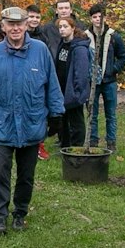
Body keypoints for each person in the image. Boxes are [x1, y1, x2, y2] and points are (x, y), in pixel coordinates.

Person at [0, 6, 64, 234]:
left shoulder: (40, 51)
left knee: (26, 174)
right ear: (3, 27)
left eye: (19, 24)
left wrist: (56, 114)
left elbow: (52, 84)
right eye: (10, 24)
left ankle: (20, 213)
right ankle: (0, 217)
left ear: (26, 25)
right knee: (1, 173)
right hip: (1, 123)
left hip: (32, 123)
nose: (15, 28)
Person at [87, 5, 125, 150]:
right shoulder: (86, 36)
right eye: (95, 17)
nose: (98, 19)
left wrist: (113, 69)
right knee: (92, 113)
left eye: (100, 16)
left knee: (111, 113)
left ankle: (111, 142)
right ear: (90, 19)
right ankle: (93, 141)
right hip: (92, 82)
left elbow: (123, 57)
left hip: (109, 81)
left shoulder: (114, 36)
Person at [52, 18, 92, 150]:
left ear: (73, 28)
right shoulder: (62, 44)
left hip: (73, 91)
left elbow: (81, 72)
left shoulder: (79, 47)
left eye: (65, 26)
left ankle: (77, 147)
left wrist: (77, 92)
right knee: (63, 120)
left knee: (76, 120)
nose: (62, 29)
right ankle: (65, 146)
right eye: (60, 27)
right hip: (61, 89)